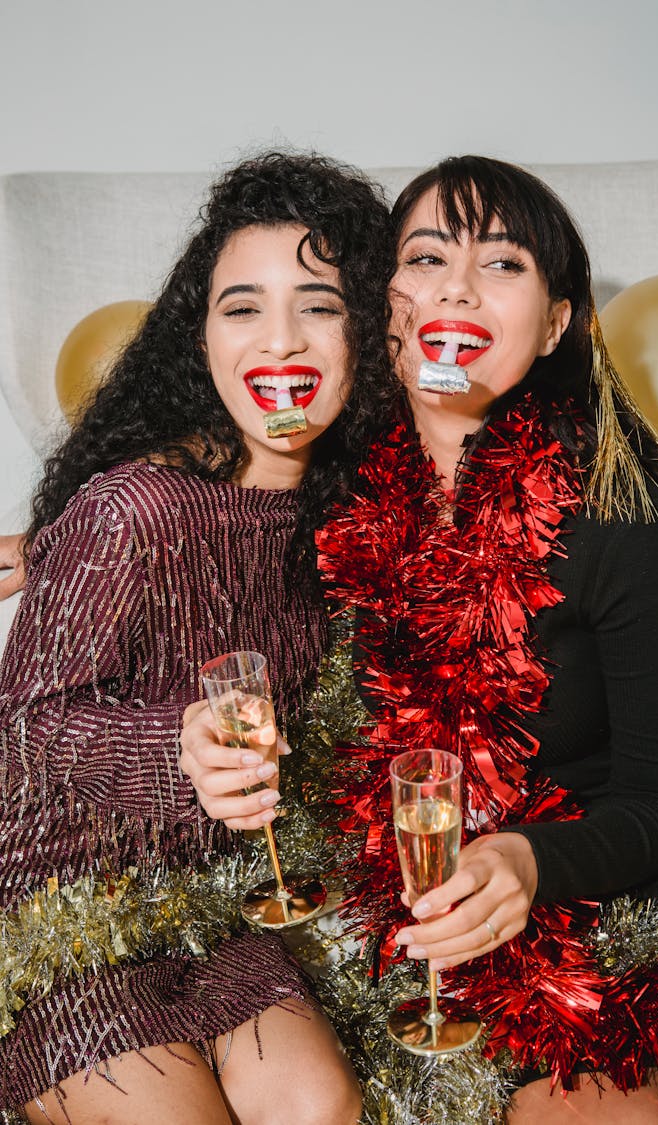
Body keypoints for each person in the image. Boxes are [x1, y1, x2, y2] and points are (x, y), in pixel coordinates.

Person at [182, 156, 658, 1124]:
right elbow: (188, 471)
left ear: (558, 323)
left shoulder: (619, 505)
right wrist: (59, 542)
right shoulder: (328, 485)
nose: (456, 285)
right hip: (465, 933)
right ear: (388, 303)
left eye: (504, 264)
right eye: (429, 256)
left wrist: (531, 861)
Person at [0, 150, 395, 1125]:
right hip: (58, 905)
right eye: (242, 307)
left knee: (319, 1105)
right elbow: (25, 723)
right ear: (202, 338)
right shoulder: (132, 508)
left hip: (211, 897)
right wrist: (172, 750)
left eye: (319, 304)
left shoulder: (343, 524)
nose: (280, 342)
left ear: (370, 336)